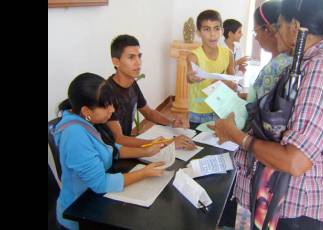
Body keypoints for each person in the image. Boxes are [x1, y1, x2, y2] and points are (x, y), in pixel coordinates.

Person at [209, 0, 323, 229]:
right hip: (280, 199)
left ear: (294, 27)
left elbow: (296, 160)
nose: (275, 33)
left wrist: (237, 136)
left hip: (296, 207)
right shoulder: (306, 62)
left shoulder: (321, 69)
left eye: (279, 25)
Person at [54, 73, 166, 230]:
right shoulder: (75, 134)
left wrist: (146, 151)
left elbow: (111, 149)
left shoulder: (88, 121)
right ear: (87, 110)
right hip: (79, 214)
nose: (112, 110)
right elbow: (101, 183)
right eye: (106, 106)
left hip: (95, 201)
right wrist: (144, 173)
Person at [229, 1, 292, 228]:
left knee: (265, 216)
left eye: (256, 32)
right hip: (281, 155)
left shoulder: (276, 67)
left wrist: (232, 127)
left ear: (270, 29)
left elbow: (257, 115)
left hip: (266, 155)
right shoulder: (288, 61)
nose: (255, 38)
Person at [106, 34, 196, 150]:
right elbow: (119, 139)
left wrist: (171, 122)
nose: (138, 62)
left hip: (126, 145)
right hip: (113, 152)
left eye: (139, 56)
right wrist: (165, 143)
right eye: (131, 57)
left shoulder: (132, 83)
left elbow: (149, 113)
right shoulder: (107, 93)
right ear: (116, 62)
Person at [186, 9, 238, 128]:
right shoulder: (193, 56)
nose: (212, 34)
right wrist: (192, 77)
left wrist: (232, 84)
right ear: (198, 32)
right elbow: (189, 77)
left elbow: (232, 78)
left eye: (216, 28)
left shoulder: (228, 54)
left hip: (220, 109)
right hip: (198, 113)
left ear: (222, 31)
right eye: (206, 29)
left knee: (219, 144)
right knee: (198, 145)